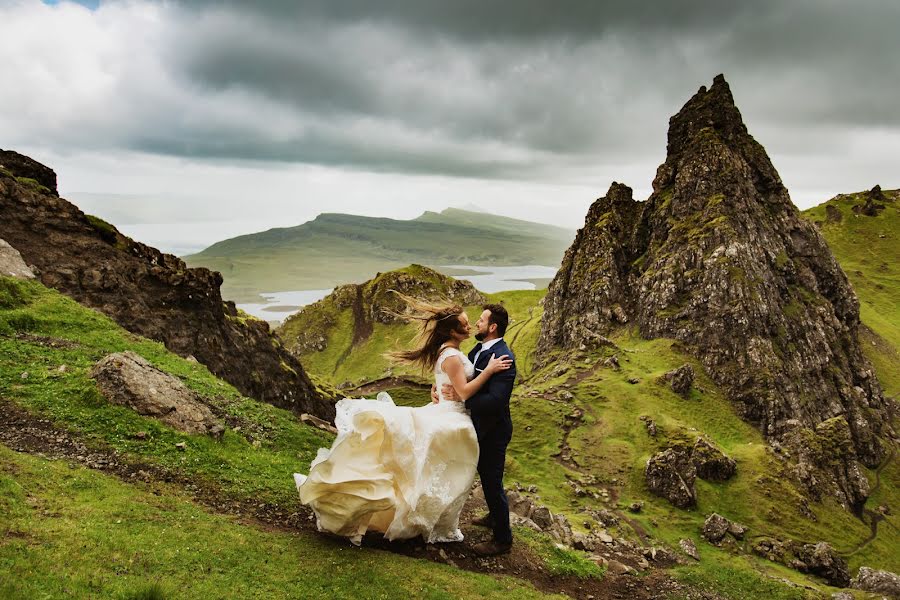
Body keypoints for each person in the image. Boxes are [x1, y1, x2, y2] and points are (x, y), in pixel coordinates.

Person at [293, 294, 511, 546]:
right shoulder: (452, 355)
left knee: (434, 466)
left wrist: (442, 388)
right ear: (452, 332)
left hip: (453, 410)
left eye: (476, 321)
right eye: (465, 324)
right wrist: (488, 372)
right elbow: (463, 391)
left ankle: (435, 513)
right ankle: (424, 515)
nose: (471, 325)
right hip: (453, 414)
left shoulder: (456, 351)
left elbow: (457, 382)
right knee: (436, 466)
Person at [439, 303, 516, 556]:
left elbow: (495, 401)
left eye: (482, 320)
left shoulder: (504, 358)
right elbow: (464, 376)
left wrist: (463, 398)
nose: (477, 323)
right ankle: (494, 517)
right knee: (486, 478)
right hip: (478, 427)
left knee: (492, 482)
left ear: (492, 327)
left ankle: (503, 540)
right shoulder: (479, 349)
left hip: (494, 431)